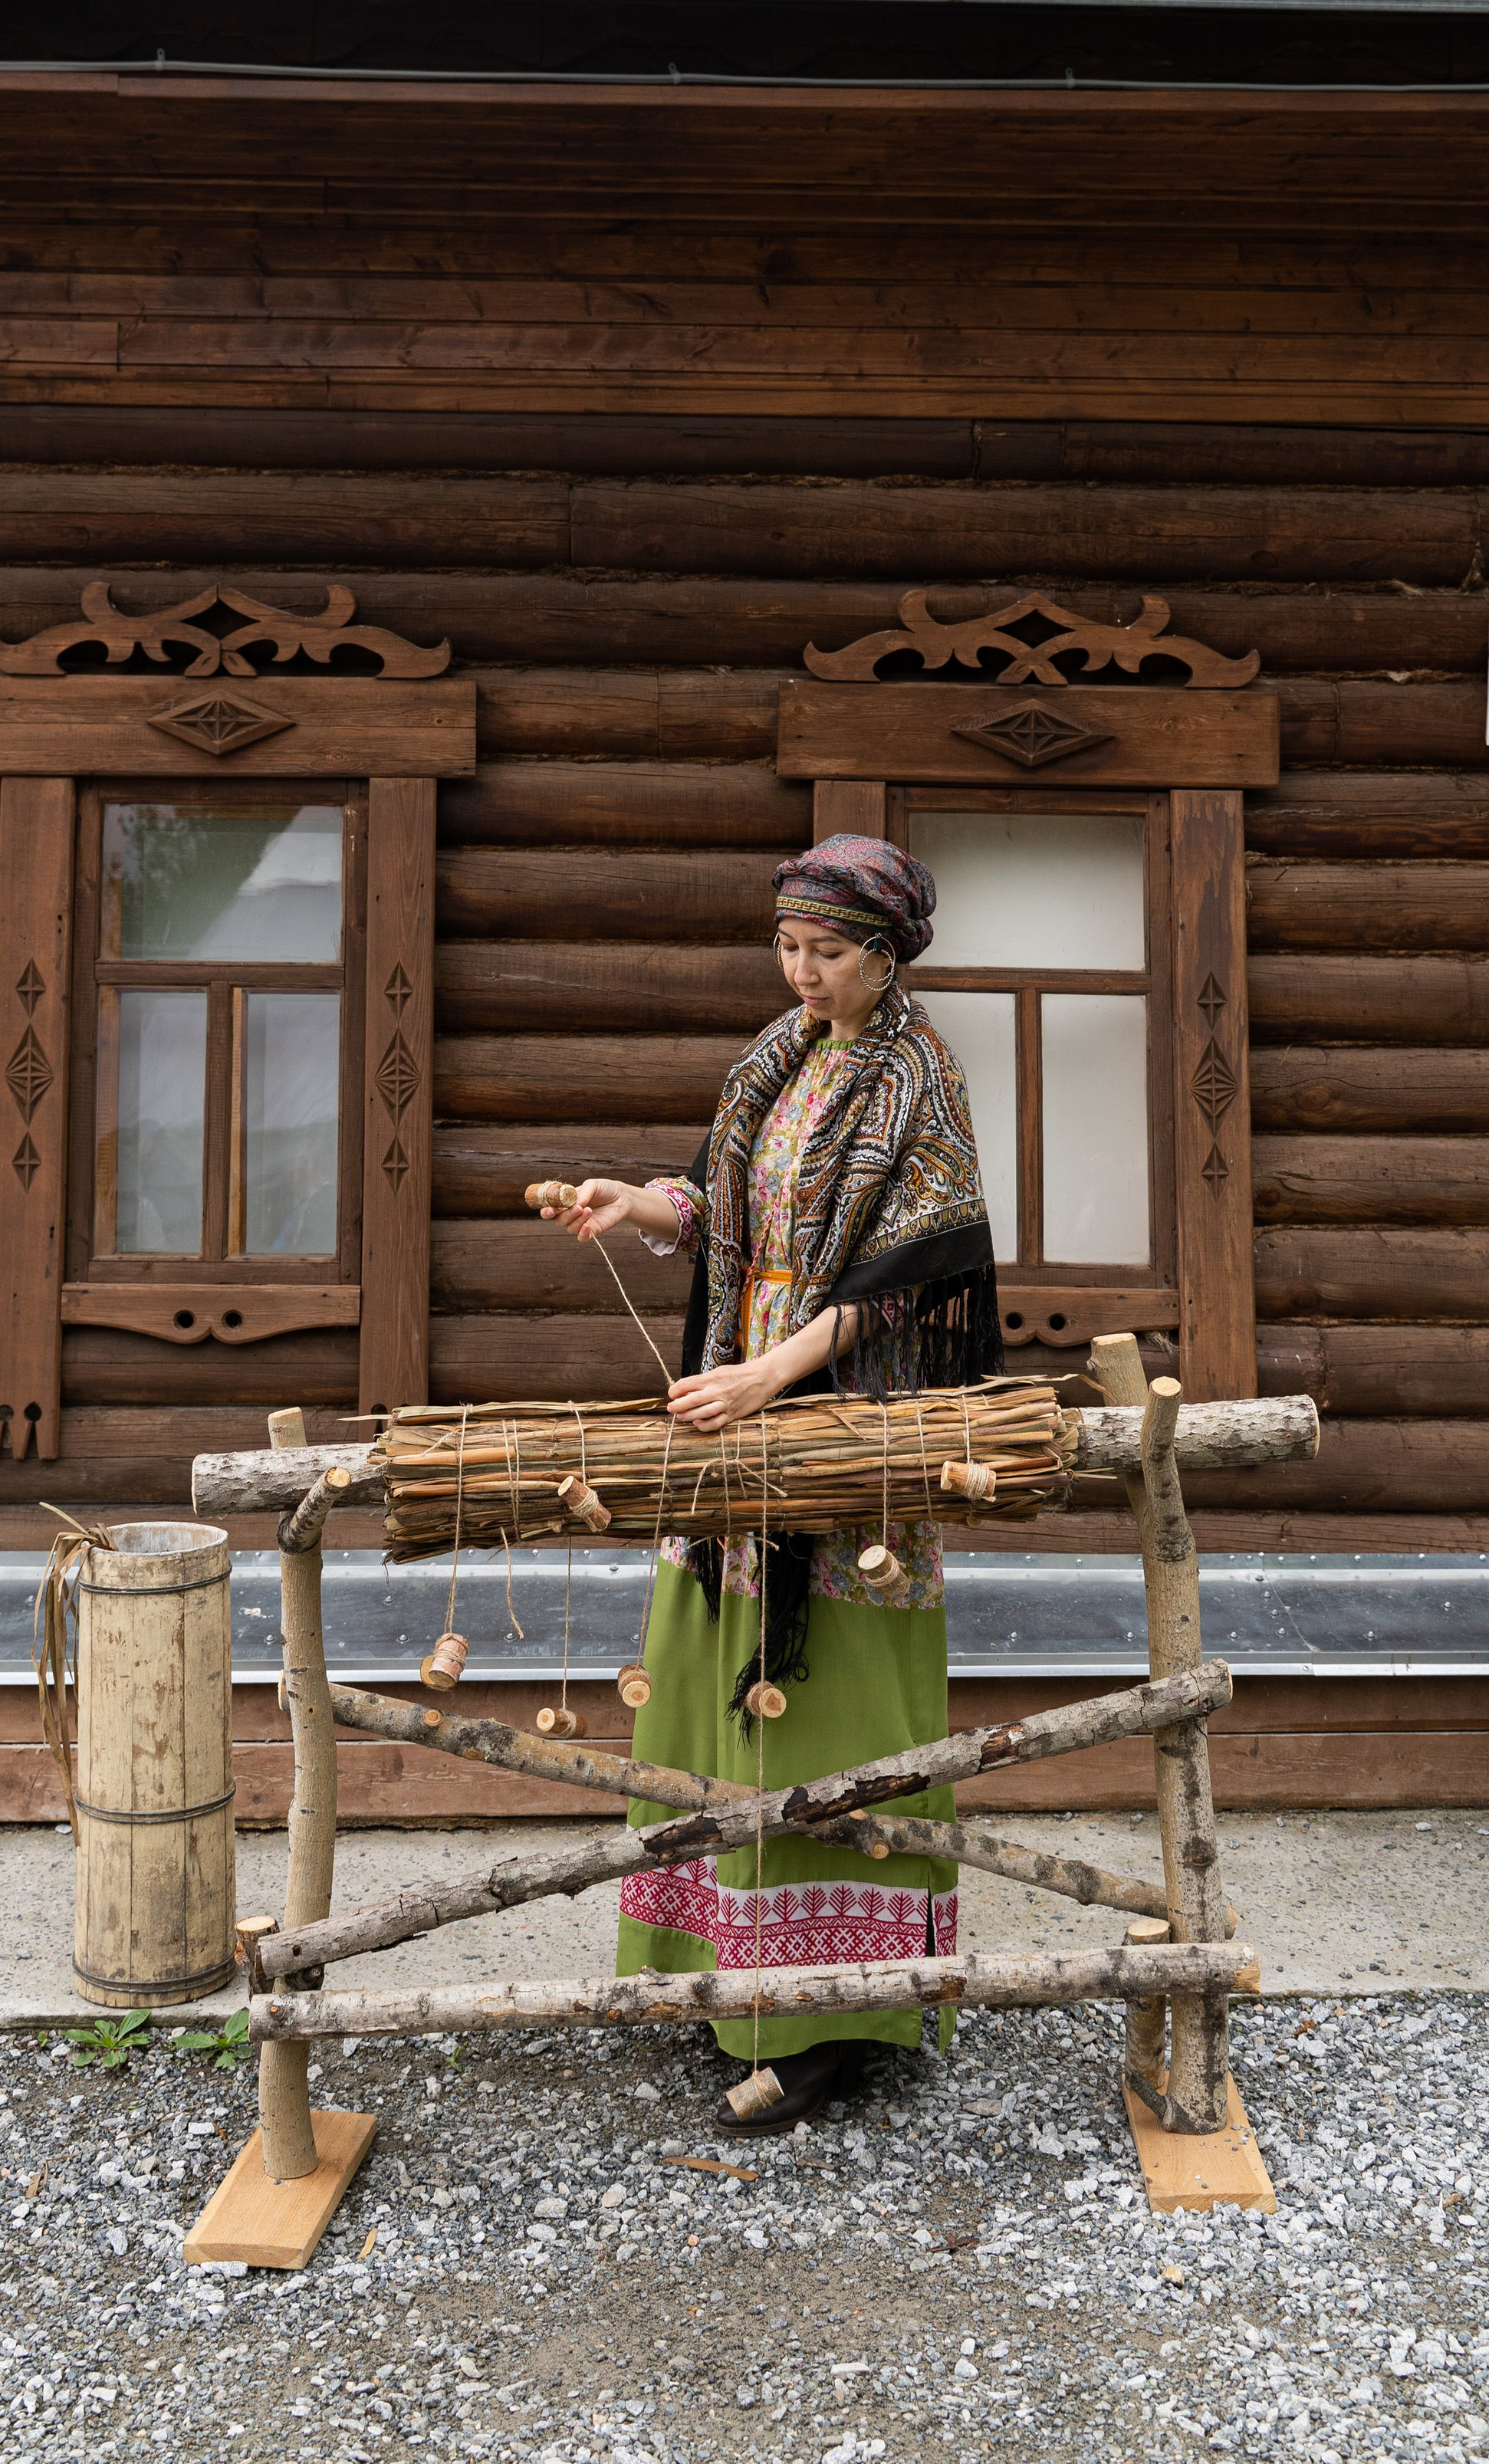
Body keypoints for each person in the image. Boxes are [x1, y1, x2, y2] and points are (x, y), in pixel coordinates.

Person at [538, 834, 1001, 2130]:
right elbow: (741, 1212)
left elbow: (904, 1274)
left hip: (846, 1431)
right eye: (787, 948)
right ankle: (715, 1977)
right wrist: (638, 1205)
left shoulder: (922, 1077)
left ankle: (827, 2022)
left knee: (831, 1709)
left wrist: (770, 1377)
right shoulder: (778, 1056)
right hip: (733, 1415)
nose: (802, 973)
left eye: (829, 954)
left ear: (888, 952)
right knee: (707, 1676)